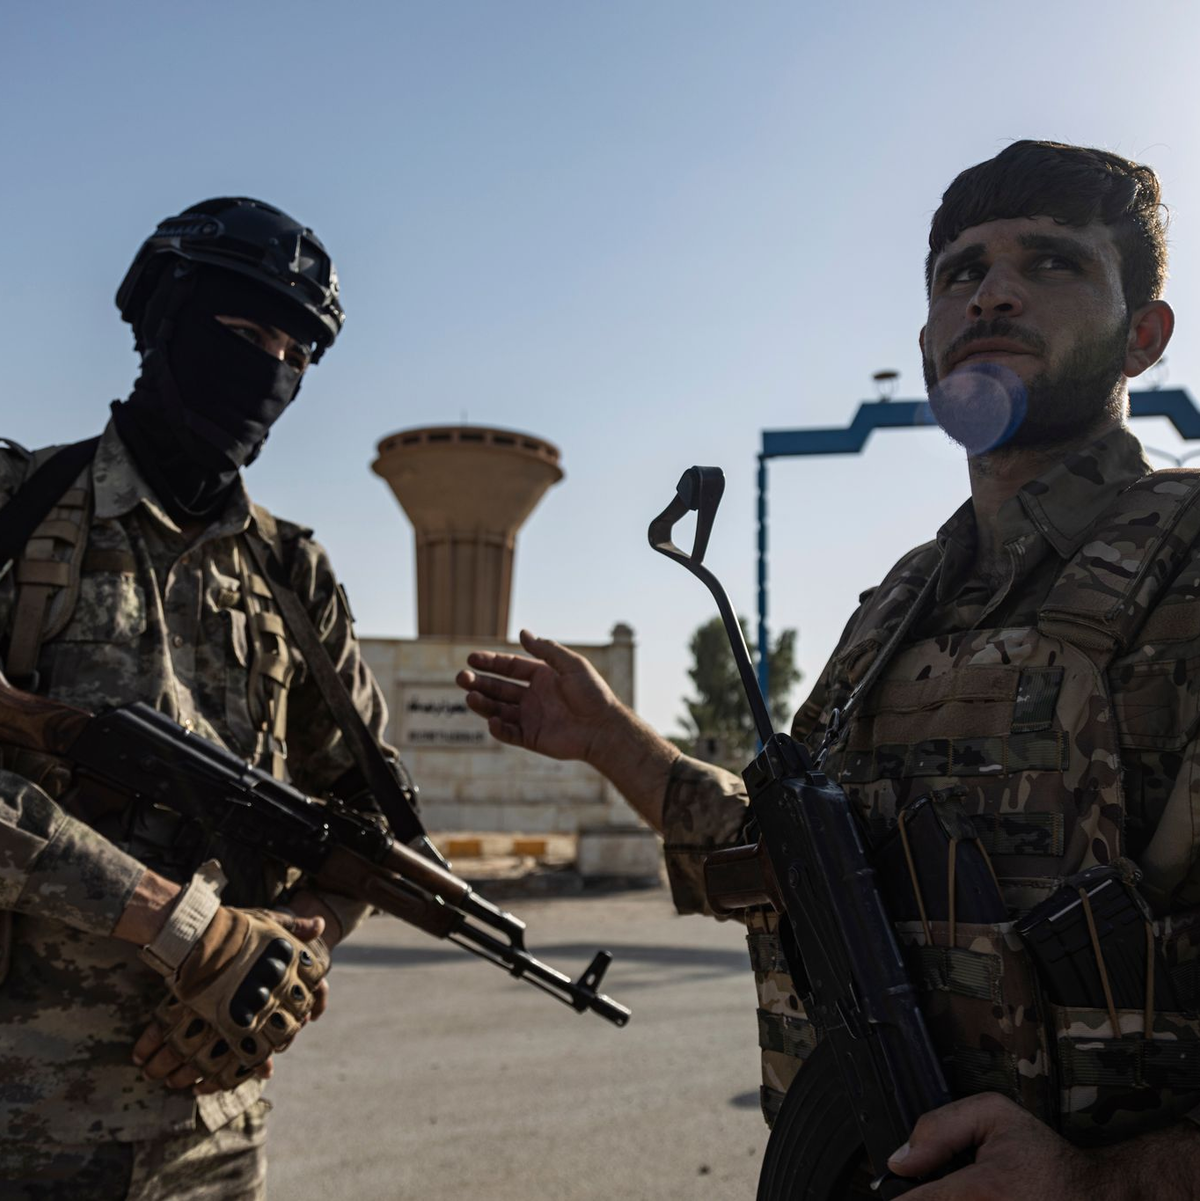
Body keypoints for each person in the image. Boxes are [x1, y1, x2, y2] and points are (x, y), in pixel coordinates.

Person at [458, 141, 1200, 1197]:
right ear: (929, 343)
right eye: (961, 273)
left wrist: (1101, 1182)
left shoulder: (1185, 564)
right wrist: (609, 740)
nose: (992, 292)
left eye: (1052, 264)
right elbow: (801, 861)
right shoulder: (898, 608)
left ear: (1144, 336)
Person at [0, 198, 407, 1198]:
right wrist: (179, 925)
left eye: (293, 351)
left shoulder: (293, 576)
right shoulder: (19, 512)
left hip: (211, 1127)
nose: (268, 368)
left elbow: (367, 829)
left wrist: (286, 954)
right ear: (166, 320)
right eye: (242, 332)